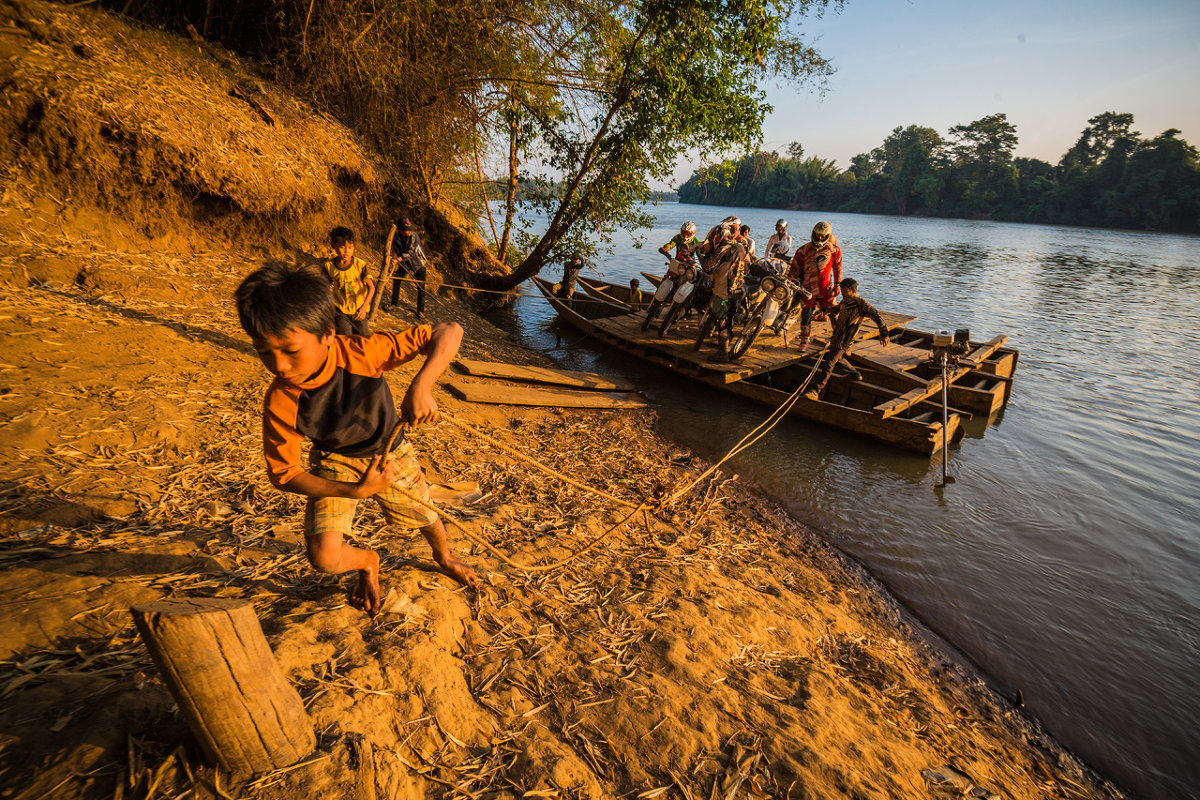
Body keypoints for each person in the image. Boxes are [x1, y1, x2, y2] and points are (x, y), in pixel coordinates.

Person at [234, 262, 477, 615]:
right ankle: (367, 562)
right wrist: (355, 491)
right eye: (263, 352)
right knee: (324, 558)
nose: (279, 366)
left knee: (426, 515)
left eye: (290, 350)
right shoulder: (280, 399)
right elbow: (284, 474)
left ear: (328, 336)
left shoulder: (361, 352)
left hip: (389, 453)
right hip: (334, 461)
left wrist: (421, 385)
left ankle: (444, 556)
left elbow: (449, 330)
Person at [804, 277, 889, 399]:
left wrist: (884, 333)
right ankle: (855, 374)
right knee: (837, 359)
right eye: (842, 291)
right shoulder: (845, 301)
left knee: (830, 362)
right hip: (837, 336)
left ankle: (815, 390)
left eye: (845, 291)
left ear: (853, 291)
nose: (843, 294)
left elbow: (876, 315)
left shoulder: (861, 303)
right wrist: (823, 311)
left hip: (846, 339)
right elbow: (836, 309)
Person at [787, 220, 842, 352]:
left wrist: (838, 284)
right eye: (817, 235)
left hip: (826, 288)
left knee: (833, 313)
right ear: (813, 233)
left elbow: (838, 268)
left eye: (823, 236)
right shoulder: (803, 250)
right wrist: (793, 284)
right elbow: (794, 269)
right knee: (806, 314)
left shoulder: (834, 250)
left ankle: (838, 339)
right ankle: (804, 340)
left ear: (828, 236)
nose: (819, 238)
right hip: (807, 288)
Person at [702, 222, 749, 359]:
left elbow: (708, 267)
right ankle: (727, 346)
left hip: (724, 290)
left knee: (722, 319)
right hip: (739, 288)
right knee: (730, 318)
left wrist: (705, 253)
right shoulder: (739, 246)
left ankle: (723, 352)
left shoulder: (723, 248)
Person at [324, 226, 375, 337]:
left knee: (364, 338)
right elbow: (324, 287)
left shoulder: (360, 265)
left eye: (350, 247)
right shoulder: (329, 266)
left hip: (359, 311)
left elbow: (372, 288)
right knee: (345, 338)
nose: (347, 251)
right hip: (340, 312)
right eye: (342, 247)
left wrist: (363, 308)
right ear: (333, 246)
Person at [388, 218, 427, 321]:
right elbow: (395, 248)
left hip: (419, 263)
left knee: (421, 287)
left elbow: (411, 252)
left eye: (410, 229)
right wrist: (393, 257)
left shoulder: (413, 236)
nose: (409, 231)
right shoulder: (396, 236)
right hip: (405, 262)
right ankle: (394, 304)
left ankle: (420, 311)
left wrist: (398, 259)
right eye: (406, 229)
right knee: (396, 280)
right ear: (400, 230)